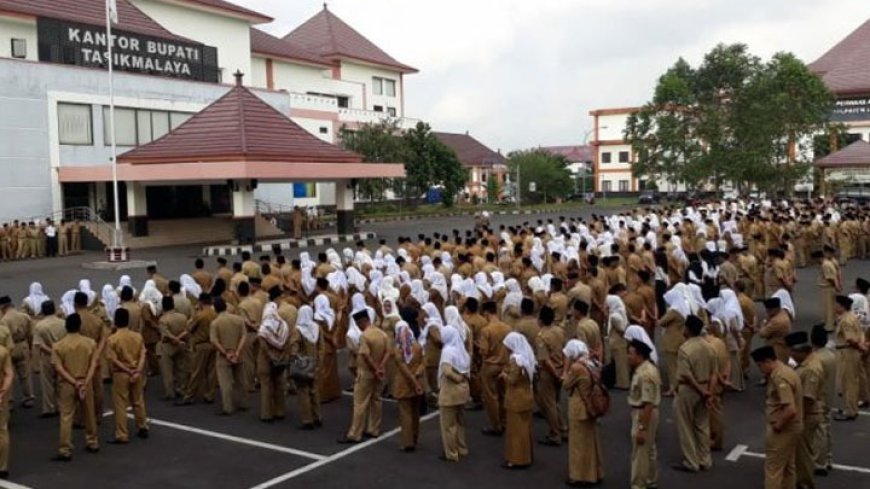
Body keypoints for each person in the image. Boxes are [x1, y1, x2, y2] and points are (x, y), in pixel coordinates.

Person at [752, 345, 803, 489]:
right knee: (788, 466)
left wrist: (777, 425)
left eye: (760, 365)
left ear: (768, 361)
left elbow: (790, 409)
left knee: (773, 469)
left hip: (784, 429)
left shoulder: (780, 377)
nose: (760, 369)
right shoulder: (786, 371)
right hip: (793, 427)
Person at [672, 314, 717, 473]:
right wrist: (709, 393)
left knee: (685, 425)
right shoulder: (709, 347)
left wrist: (701, 391)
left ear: (688, 329)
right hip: (705, 386)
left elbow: (686, 376)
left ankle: (691, 461)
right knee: (702, 425)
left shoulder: (685, 349)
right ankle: (705, 459)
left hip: (690, 390)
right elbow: (714, 374)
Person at [52, 313, 99, 461]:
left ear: (66, 326)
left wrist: (74, 382)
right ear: (80, 326)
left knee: (66, 416)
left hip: (68, 384)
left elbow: (59, 368)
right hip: (85, 381)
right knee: (89, 413)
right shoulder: (90, 343)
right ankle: (93, 441)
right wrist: (85, 382)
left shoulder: (58, 346)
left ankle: (65, 448)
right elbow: (94, 364)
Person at [339, 309, 390, 443]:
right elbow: (388, 352)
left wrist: (375, 368)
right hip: (379, 372)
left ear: (362, 321)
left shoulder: (365, 336)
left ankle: (355, 433)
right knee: (376, 400)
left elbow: (365, 355)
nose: (358, 326)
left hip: (366, 372)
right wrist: (381, 367)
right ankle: (374, 429)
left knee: (360, 404)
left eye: (358, 324)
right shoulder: (382, 334)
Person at [562, 339, 604, 486]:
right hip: (591, 404)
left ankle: (580, 475)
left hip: (579, 406)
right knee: (590, 441)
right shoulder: (592, 363)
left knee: (578, 443)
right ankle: (595, 472)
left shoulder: (577, 368)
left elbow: (566, 384)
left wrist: (565, 369)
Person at [786, 331, 823, 489]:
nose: (791, 355)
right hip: (805, 412)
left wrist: (800, 418)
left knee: (803, 454)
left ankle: (805, 483)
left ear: (801, 352)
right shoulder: (807, 363)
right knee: (801, 451)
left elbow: (808, 398)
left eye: (793, 352)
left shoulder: (810, 369)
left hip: (807, 414)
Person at [105, 308, 148, 444]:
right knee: (138, 400)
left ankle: (122, 434)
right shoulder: (137, 336)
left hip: (121, 373)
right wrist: (137, 370)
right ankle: (142, 426)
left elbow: (113, 359)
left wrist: (129, 371)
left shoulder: (112, 339)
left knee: (120, 404)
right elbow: (143, 354)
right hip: (136, 371)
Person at [627, 338, 661, 489]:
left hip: (644, 412)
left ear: (639, 355)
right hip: (647, 411)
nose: (628, 357)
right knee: (649, 449)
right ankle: (650, 479)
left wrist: (642, 427)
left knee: (640, 452)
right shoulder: (645, 369)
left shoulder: (645, 374)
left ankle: (639, 484)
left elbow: (648, 403)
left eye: (631, 354)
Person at [500, 332, 535, 469]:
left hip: (516, 398)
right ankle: (527, 456)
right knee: (525, 429)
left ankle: (516, 459)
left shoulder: (515, 360)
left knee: (515, 431)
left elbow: (512, 380)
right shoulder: (527, 357)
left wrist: (504, 375)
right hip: (527, 395)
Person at [257, 292, 291, 423]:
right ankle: (280, 410)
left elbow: (263, 346)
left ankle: (266, 413)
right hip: (280, 359)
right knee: (279, 384)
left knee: (266, 385)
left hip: (266, 360)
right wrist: (280, 356)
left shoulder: (264, 328)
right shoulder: (283, 326)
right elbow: (285, 343)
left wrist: (271, 357)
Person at [438, 325, 471, 462]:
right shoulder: (461, 350)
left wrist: (456, 378)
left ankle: (451, 453)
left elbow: (446, 371)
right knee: (460, 422)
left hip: (450, 391)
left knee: (448, 425)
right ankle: (462, 448)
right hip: (463, 390)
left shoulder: (447, 351)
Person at [210, 298, 247, 415]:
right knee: (241, 380)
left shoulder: (215, 323)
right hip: (238, 353)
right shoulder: (238, 320)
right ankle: (242, 403)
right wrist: (237, 351)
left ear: (215, 309)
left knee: (225, 383)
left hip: (224, 355)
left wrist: (226, 353)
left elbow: (214, 340)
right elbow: (244, 336)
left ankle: (228, 407)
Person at [479, 300, 511, 436]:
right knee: (503, 394)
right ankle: (505, 421)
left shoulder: (486, 330)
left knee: (491, 397)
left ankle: (495, 425)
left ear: (486, 312)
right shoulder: (507, 327)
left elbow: (484, 351)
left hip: (490, 365)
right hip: (504, 364)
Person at [535, 305, 566, 446]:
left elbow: (545, 360)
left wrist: (554, 374)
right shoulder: (560, 331)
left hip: (548, 373)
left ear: (541, 320)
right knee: (557, 402)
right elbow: (565, 352)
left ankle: (555, 433)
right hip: (560, 368)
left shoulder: (541, 336)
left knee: (549, 405)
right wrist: (563, 372)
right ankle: (562, 428)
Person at [391, 320, 424, 451]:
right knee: (415, 413)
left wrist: (413, 381)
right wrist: (417, 375)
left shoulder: (398, 349)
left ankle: (407, 442)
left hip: (404, 384)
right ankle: (415, 437)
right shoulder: (417, 345)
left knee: (405, 414)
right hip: (417, 381)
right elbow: (423, 363)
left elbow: (403, 368)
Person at [832, 295, 865, 421]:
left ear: (842, 306)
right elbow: (860, 333)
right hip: (852, 351)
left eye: (836, 305)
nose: (835, 307)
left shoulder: (846, 320)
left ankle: (850, 411)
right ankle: (851, 408)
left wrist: (860, 347)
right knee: (853, 381)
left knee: (848, 383)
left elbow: (850, 338)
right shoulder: (852, 316)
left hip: (847, 352)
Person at [32, 301, 66, 418]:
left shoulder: (40, 326)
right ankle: (63, 406)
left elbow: (39, 344)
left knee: (47, 383)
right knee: (61, 382)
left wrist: (51, 352)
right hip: (62, 355)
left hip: (47, 356)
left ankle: (50, 407)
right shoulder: (63, 323)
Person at [810, 324, 836, 476]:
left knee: (819, 430)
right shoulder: (830, 355)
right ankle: (828, 458)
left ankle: (819, 462)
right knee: (826, 428)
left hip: (819, 397)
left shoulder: (816, 359)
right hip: (829, 395)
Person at [291, 305, 322, 429]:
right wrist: (319, 363)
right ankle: (317, 416)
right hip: (314, 363)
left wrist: (293, 358)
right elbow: (321, 347)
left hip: (303, 365)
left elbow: (294, 347)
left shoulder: (298, 330)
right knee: (314, 390)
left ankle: (307, 419)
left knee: (303, 391)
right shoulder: (317, 328)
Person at [0, 296, 34, 408]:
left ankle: (9, 400)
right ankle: (28, 397)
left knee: (8, 374)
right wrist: (29, 347)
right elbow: (30, 333)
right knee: (25, 374)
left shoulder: (4, 320)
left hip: (10, 347)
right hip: (23, 344)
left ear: (3, 307)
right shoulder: (24, 316)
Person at [184, 293, 217, 405]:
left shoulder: (200, 315)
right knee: (211, 372)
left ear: (201, 302)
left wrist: (195, 313)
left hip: (201, 345)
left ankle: (190, 395)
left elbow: (189, 328)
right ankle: (210, 394)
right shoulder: (214, 313)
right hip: (213, 344)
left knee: (196, 371)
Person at [157, 296, 190, 402]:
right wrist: (179, 340)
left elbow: (166, 334)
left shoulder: (163, 319)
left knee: (167, 371)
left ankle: (170, 392)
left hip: (167, 346)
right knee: (181, 369)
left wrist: (175, 339)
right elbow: (187, 330)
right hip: (181, 345)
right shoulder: (182, 317)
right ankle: (182, 388)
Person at [758, 297, 791, 365]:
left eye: (769, 310)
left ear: (775, 309)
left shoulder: (776, 321)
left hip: (777, 348)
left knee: (775, 366)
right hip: (783, 346)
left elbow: (762, 334)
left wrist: (764, 322)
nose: (767, 312)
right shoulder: (783, 312)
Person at [0, 330, 11, 478]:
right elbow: (9, 373)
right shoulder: (3, 351)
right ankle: (2, 466)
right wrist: (3, 391)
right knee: (2, 430)